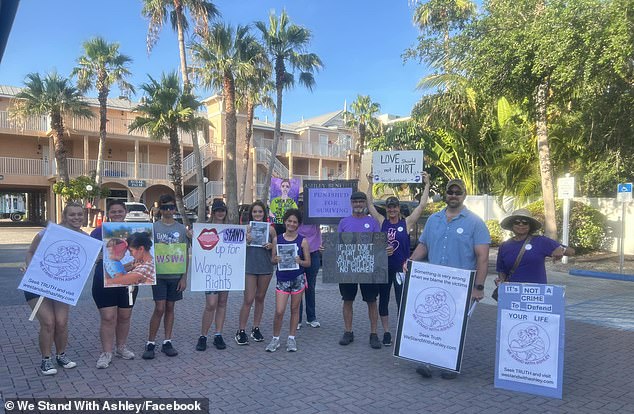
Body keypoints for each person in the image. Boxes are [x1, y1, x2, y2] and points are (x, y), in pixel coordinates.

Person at [408, 178, 490, 379]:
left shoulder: (475, 223)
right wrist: (410, 261)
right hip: (434, 282)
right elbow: (424, 246)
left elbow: (483, 257)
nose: (453, 195)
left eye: (458, 192)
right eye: (450, 192)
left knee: (454, 326)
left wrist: (478, 287)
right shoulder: (433, 220)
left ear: (464, 195)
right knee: (431, 323)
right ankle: (427, 362)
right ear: (445, 194)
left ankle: (450, 365)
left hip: (461, 286)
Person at [366, 171, 430, 346]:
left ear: (398, 208)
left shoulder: (406, 223)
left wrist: (427, 184)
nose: (392, 210)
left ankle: (403, 332)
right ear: (386, 209)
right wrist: (371, 183)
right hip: (384, 269)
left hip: (400, 270)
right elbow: (369, 204)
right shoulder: (381, 222)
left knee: (402, 301)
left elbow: (422, 205)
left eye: (395, 207)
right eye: (389, 207)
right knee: (384, 300)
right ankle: (386, 332)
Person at [24, 202, 85, 375]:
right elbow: (30, 253)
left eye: (79, 214)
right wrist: (30, 269)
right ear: (64, 216)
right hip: (38, 284)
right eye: (72, 214)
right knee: (49, 322)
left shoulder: (84, 238)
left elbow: (85, 262)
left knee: (61, 322)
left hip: (61, 286)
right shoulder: (49, 232)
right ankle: (46, 360)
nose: (76, 218)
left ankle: (61, 355)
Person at [91, 200, 140, 369]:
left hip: (129, 281)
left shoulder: (135, 232)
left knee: (125, 316)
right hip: (104, 280)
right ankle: (106, 353)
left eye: (120, 211)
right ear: (108, 213)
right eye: (113, 211)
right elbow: (88, 255)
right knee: (108, 317)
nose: (117, 214)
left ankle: (121, 348)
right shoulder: (99, 232)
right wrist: (96, 258)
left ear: (125, 212)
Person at [337, 191, 387, 350]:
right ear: (351, 204)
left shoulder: (372, 222)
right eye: (355, 202)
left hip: (368, 267)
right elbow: (338, 245)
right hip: (348, 268)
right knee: (347, 300)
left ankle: (374, 334)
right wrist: (328, 249)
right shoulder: (343, 222)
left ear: (365, 203)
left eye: (361, 202)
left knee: (372, 301)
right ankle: (348, 332)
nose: (358, 204)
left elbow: (378, 244)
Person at [143, 194, 188, 360]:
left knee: (170, 308)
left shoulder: (182, 229)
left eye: (170, 207)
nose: (168, 210)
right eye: (164, 207)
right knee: (159, 308)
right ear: (159, 209)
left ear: (175, 209)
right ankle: (150, 342)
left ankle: (167, 341)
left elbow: (185, 253)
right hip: (159, 275)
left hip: (175, 275)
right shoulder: (153, 228)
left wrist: (184, 277)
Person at [265, 209, 311, 352]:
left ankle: (291, 338)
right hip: (282, 279)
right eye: (289, 221)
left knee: (295, 309)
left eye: (295, 222)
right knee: (279, 311)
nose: (292, 224)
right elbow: (273, 260)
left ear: (298, 224)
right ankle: (275, 339)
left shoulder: (302, 241)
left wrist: (300, 261)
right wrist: (276, 259)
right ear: (285, 222)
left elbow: (308, 263)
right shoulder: (277, 239)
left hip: (297, 279)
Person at [235, 201, 277, 345]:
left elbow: (275, 251)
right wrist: (245, 241)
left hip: (265, 267)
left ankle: (256, 328)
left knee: (260, 298)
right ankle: (241, 330)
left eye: (260, 212)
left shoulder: (271, 230)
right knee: (248, 299)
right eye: (255, 212)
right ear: (251, 213)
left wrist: (271, 245)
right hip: (250, 267)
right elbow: (236, 248)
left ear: (264, 213)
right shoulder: (246, 229)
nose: (258, 214)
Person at [496, 209, 575, 285]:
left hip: (536, 294)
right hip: (513, 293)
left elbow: (571, 251)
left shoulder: (541, 241)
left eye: (525, 222)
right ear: (511, 225)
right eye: (516, 222)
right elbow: (501, 270)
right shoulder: (504, 246)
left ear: (530, 226)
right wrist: (501, 281)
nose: (521, 224)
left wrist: (561, 249)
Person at [197, 199, 230, 351]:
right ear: (213, 212)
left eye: (222, 210)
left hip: (225, 271)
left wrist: (246, 239)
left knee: (222, 303)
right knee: (211, 304)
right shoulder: (205, 228)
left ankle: (218, 334)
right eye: (217, 210)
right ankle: (203, 336)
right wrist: (191, 235)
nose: (220, 213)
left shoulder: (231, 230)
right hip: (210, 272)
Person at [297, 193, 322, 329]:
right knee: (298, 287)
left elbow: (329, 216)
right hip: (298, 255)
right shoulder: (295, 219)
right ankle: (297, 319)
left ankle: (311, 317)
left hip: (313, 255)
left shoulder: (316, 218)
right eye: (301, 203)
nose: (303, 206)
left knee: (310, 287)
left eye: (306, 203)